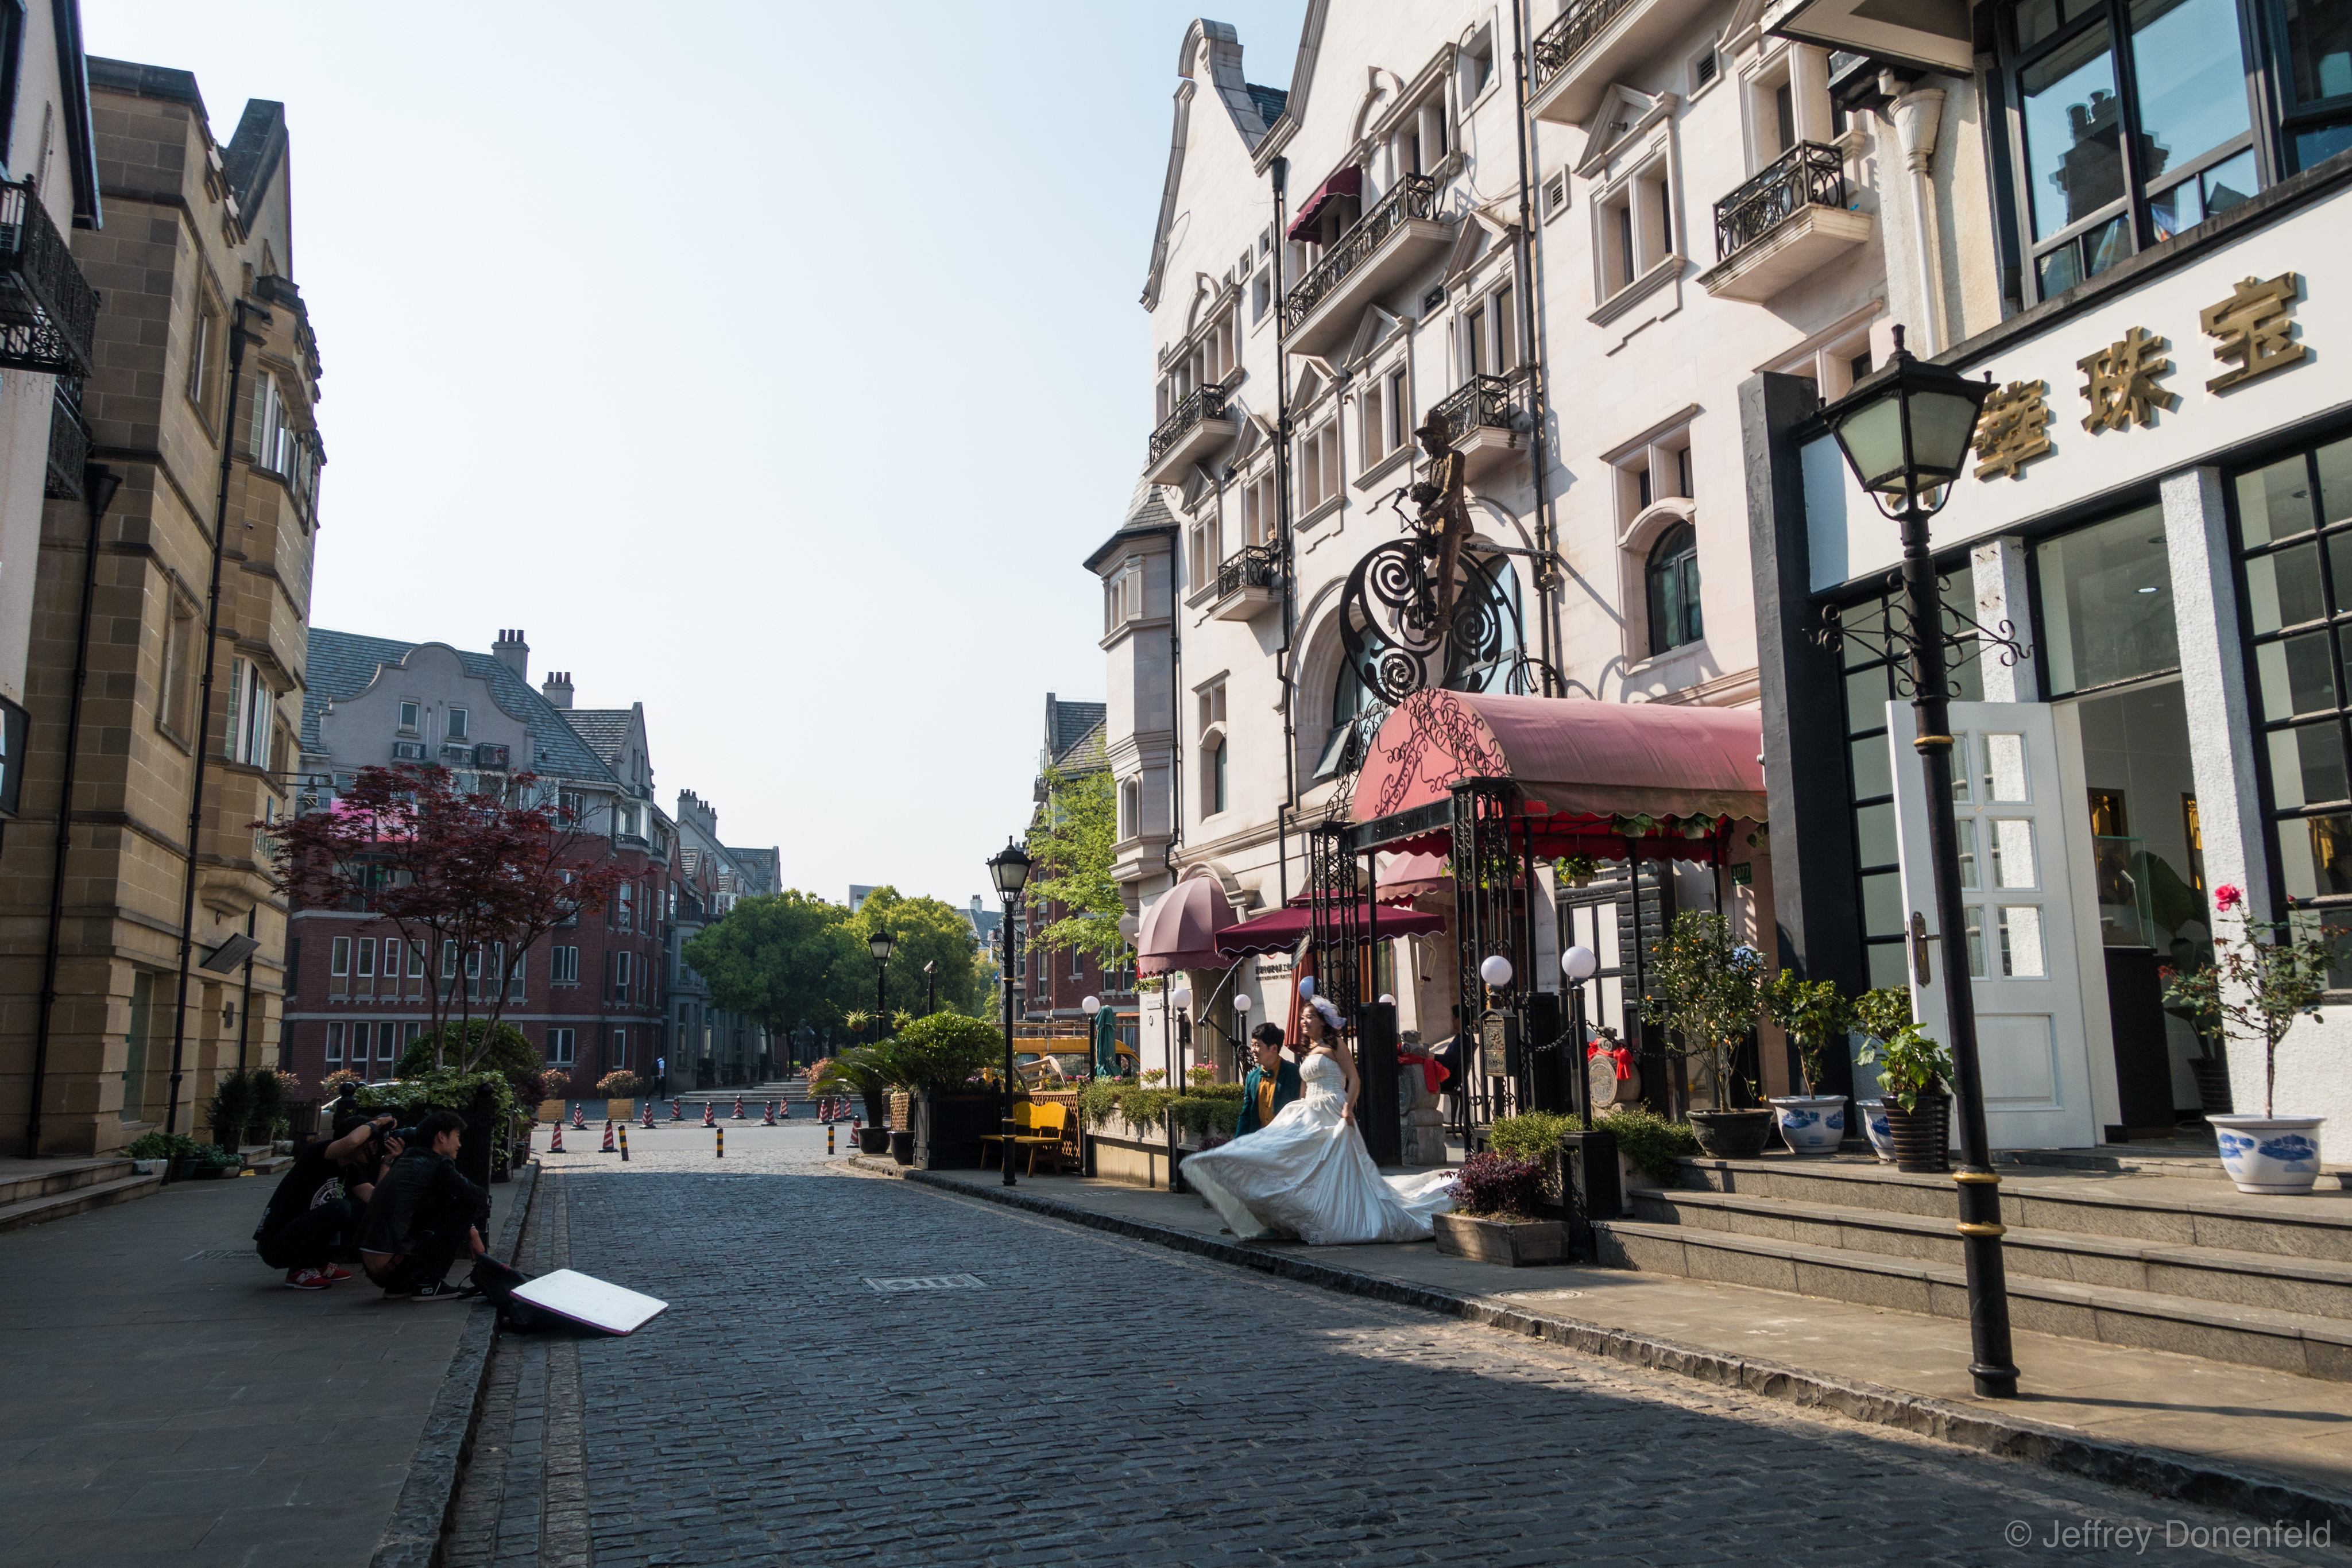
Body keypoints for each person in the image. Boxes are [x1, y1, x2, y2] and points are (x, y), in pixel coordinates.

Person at [1181, 996, 1455, 1244]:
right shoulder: (1308, 1049)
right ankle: (1276, 1210)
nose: (1304, 1021)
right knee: (1286, 1155)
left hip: (1332, 1109)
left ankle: (1332, 1217)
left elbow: (1354, 1078)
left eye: (1310, 1017)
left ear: (1324, 1021)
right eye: (1302, 1018)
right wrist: (1298, 1105)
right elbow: (1305, 1082)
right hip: (1309, 1107)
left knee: (1330, 1168)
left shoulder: (1335, 1044)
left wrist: (1348, 1108)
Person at [254, 1112, 398, 1290]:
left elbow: (376, 1200)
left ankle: (320, 1263)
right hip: (276, 1244)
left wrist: (387, 1161)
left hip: (298, 1238)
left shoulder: (349, 1169)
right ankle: (299, 1270)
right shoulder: (319, 1153)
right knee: (340, 1207)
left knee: (359, 1209)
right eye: (372, 1142)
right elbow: (352, 1141)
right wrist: (379, 1122)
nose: (376, 1147)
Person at [358, 1109, 491, 1302]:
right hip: (393, 1263)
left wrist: (471, 1230)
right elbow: (479, 1196)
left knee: (446, 1200)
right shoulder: (437, 1164)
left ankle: (402, 1287)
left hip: (378, 1268)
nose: (460, 1144)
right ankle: (430, 1282)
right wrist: (471, 1229)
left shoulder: (408, 1158)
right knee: (467, 1203)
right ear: (441, 1137)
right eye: (457, 1137)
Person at [1234, 1024, 1301, 1137]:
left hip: (1285, 1139)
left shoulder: (1294, 1073)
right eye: (1252, 1045)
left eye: (1257, 1046)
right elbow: (1246, 1115)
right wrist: (1236, 1143)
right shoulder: (1252, 1078)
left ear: (1274, 1048)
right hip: (1258, 1141)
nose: (1253, 1050)